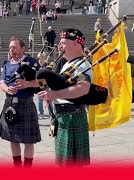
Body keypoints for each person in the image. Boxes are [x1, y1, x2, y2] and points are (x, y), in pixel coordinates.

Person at [38, 29, 91, 166]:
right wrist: (52, 97)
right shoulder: (67, 63)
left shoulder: (83, 64)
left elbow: (83, 88)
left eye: (63, 43)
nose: (59, 47)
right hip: (63, 115)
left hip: (72, 116)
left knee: (71, 165)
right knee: (63, 162)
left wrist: (54, 95)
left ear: (75, 44)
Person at [0, 37, 41, 167]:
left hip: (26, 103)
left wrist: (28, 84)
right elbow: (2, 83)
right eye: (10, 47)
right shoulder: (6, 63)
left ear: (22, 48)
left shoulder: (32, 62)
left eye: (14, 47)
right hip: (10, 103)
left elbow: (44, 81)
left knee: (29, 141)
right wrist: (7, 89)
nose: (11, 49)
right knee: (12, 138)